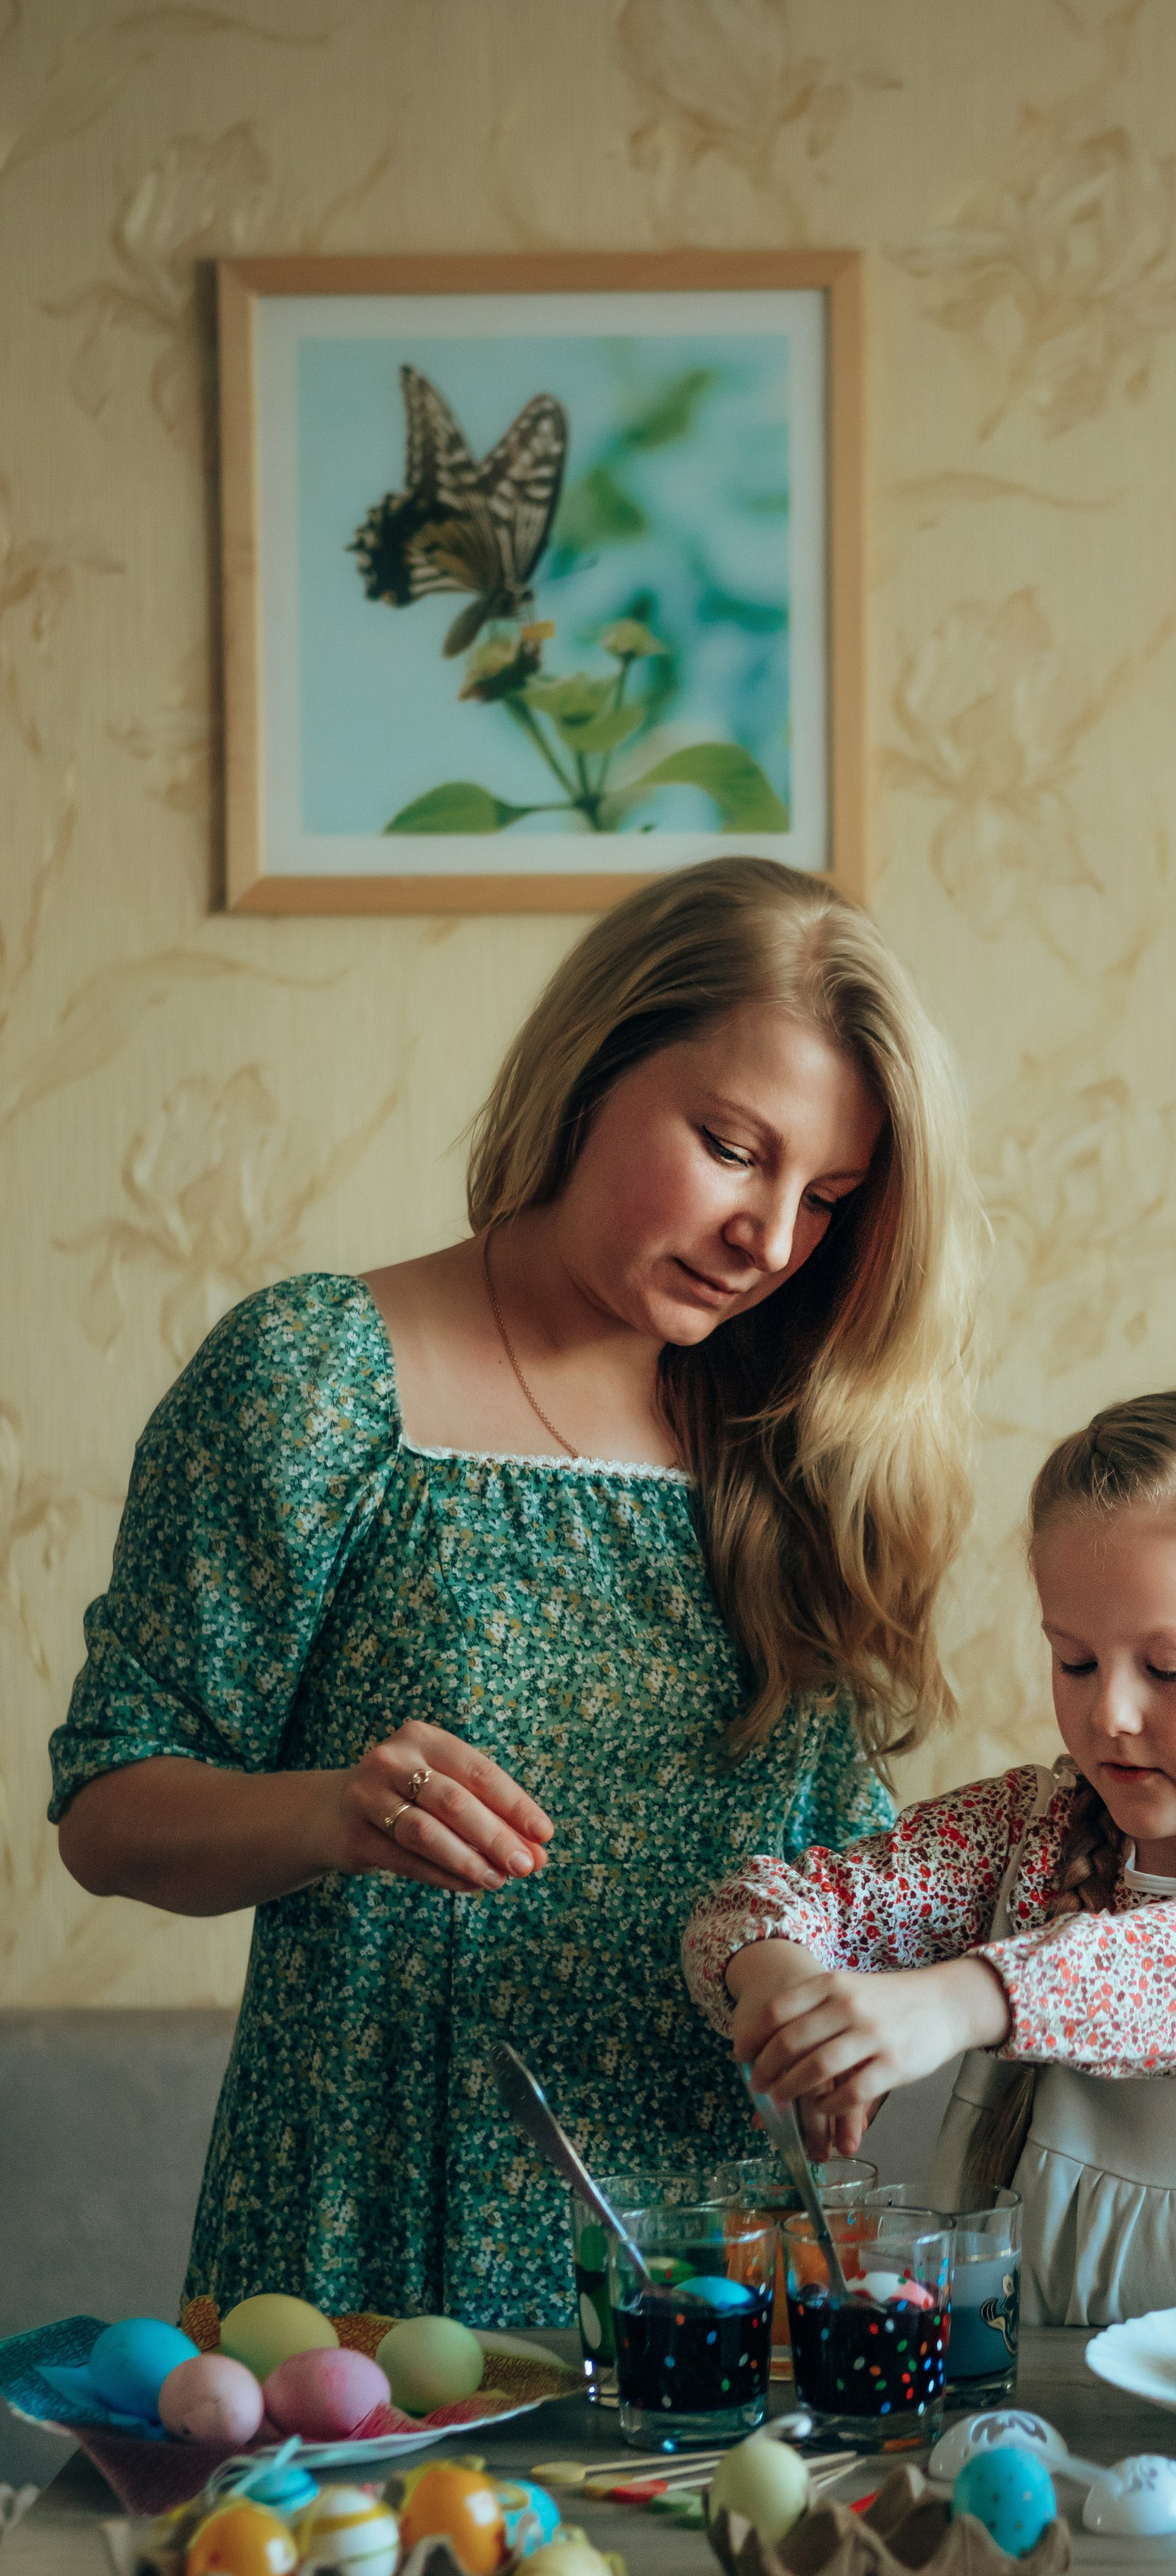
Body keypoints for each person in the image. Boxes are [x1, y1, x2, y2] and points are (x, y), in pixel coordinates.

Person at [51, 860, 981, 2323]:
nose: (770, 1238)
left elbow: (839, 1874)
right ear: (593, 1066)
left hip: (700, 2282)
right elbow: (108, 1812)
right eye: (735, 1148)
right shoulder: (317, 1380)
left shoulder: (800, 1450)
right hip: (360, 2252)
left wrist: (825, 2000)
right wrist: (325, 1812)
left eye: (829, 1198)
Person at [684, 1391, 1176, 2325]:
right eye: (1075, 1662)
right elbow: (753, 1905)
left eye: (1167, 1668)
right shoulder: (1021, 1832)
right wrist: (782, 1991)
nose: (1108, 1714)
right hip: (1028, 2390)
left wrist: (963, 1998)